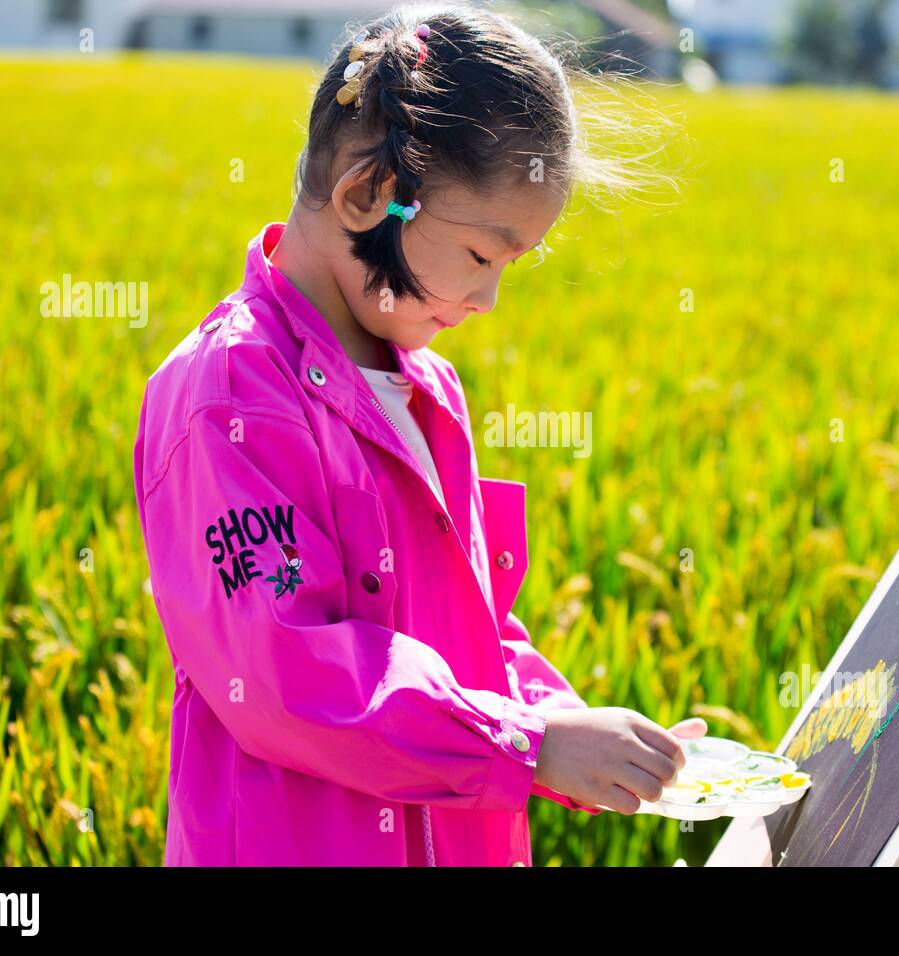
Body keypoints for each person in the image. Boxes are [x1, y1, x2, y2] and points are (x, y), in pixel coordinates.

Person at [132, 2, 702, 866]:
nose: (487, 302)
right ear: (368, 196)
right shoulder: (228, 395)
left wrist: (568, 726)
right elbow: (285, 675)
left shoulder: (428, 388)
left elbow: (469, 642)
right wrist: (524, 746)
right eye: (482, 256)